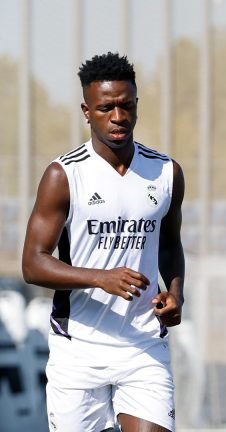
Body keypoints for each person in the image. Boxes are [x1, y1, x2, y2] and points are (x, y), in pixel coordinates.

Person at [21, 52, 185, 432]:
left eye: (126, 106)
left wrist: (176, 292)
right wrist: (100, 277)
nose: (117, 117)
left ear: (136, 106)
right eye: (105, 107)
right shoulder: (64, 175)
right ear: (86, 110)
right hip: (79, 348)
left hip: (143, 342)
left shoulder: (165, 172)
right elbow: (32, 263)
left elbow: (169, 243)